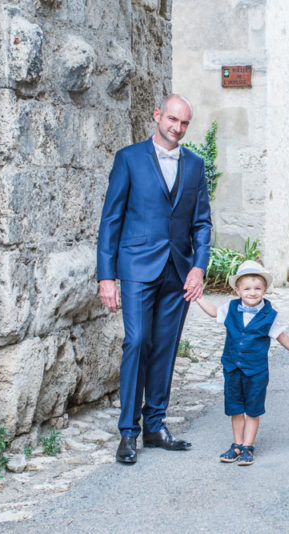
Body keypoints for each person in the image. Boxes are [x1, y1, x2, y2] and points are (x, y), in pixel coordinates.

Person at [97, 94, 212, 464]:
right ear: (157, 116)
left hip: (178, 272)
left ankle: (155, 424)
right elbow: (111, 220)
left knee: (165, 346)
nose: (177, 128)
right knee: (137, 341)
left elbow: (203, 223)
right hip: (135, 268)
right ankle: (128, 432)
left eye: (184, 123)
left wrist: (198, 266)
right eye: (172, 120)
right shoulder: (128, 159)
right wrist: (107, 277)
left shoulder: (195, 165)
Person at [195, 261, 289, 465]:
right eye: (247, 289)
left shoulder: (269, 315)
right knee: (235, 408)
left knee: (253, 409)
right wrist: (197, 298)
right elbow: (214, 312)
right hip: (232, 369)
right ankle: (237, 444)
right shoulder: (230, 308)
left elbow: (281, 336)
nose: (252, 293)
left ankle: (248, 446)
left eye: (257, 288)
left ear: (264, 290)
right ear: (237, 290)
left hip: (256, 373)